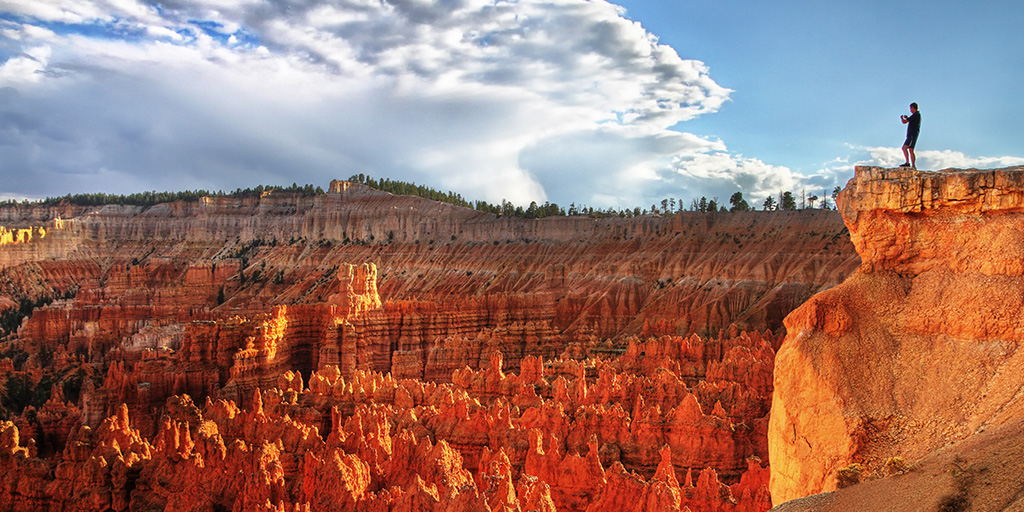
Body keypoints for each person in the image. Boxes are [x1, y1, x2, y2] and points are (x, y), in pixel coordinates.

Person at [900, 102, 921, 168]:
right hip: (911, 135)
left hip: (912, 135)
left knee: (910, 149)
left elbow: (904, 122)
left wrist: (902, 118)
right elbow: (910, 120)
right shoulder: (916, 115)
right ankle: (908, 163)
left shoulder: (916, 114)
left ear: (913, 108)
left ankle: (912, 165)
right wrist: (907, 118)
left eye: (910, 108)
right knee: (905, 148)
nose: (910, 110)